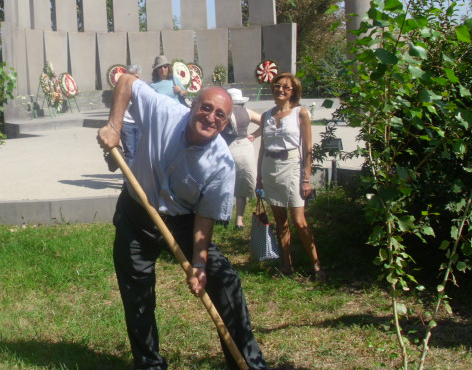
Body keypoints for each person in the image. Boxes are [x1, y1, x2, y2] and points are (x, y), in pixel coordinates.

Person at [97, 74, 272, 370]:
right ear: (193, 105)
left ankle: (248, 363)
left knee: (225, 281)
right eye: (206, 108)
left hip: (183, 222)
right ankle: (149, 364)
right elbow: (126, 81)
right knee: (137, 295)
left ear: (226, 123)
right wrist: (114, 126)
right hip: (136, 214)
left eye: (220, 114)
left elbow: (204, 218)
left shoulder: (221, 165)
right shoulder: (164, 111)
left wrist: (199, 265)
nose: (211, 117)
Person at [255, 72, 325, 282]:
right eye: (277, 86)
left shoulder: (300, 113)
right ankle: (287, 265)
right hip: (270, 167)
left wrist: (306, 178)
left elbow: (308, 148)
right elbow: (262, 147)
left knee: (299, 220)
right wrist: (259, 178)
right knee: (280, 220)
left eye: (286, 87)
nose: (281, 90)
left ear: (294, 91)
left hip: (292, 167)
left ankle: (317, 266)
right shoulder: (266, 116)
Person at [221, 88, 262, 229]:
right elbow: (265, 122)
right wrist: (254, 135)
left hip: (227, 148)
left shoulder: (223, 112)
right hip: (244, 148)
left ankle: (223, 215)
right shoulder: (247, 112)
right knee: (242, 186)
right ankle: (239, 219)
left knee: (224, 184)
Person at [121, 64, 142, 167]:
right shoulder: (122, 89)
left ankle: (138, 176)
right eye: (133, 76)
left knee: (139, 153)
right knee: (130, 154)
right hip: (126, 123)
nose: (136, 79)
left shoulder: (142, 88)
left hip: (138, 123)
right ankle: (129, 177)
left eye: (137, 77)